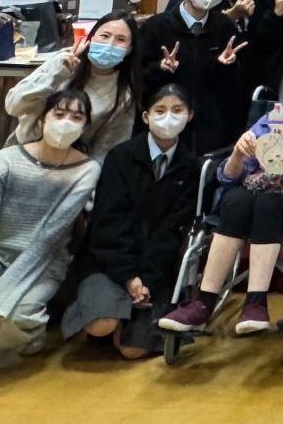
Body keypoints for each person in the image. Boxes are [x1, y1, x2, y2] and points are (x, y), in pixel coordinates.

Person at [158, 54, 283, 337]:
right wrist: (238, 154)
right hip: (254, 185)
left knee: (266, 205)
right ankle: (204, 302)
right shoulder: (274, 115)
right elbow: (229, 176)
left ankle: (256, 302)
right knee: (234, 200)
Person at [0, 87, 101, 376]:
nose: (66, 122)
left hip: (44, 261)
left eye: (76, 117)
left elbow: (46, 242)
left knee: (17, 317)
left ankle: (31, 336)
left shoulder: (86, 170)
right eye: (59, 114)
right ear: (42, 119)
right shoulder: (5, 160)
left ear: (85, 127)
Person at [61, 84, 201, 358]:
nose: (169, 117)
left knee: (132, 350)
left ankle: (128, 318)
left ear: (190, 116)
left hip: (156, 270)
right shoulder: (120, 157)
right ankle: (109, 314)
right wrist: (128, 276)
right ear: (146, 116)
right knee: (100, 325)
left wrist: (145, 279)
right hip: (108, 262)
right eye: (160, 110)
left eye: (177, 110)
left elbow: (171, 232)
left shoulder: (191, 166)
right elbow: (108, 223)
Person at [137, 0, 255, 157]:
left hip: (210, 125)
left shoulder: (224, 26)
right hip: (167, 120)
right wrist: (161, 68)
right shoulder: (157, 26)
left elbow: (236, 84)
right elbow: (140, 76)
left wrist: (225, 65)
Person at [4, 10, 139, 160]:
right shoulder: (62, 61)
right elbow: (13, 105)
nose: (110, 44)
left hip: (75, 163)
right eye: (104, 36)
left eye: (121, 40)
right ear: (91, 37)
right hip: (25, 151)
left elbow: (108, 148)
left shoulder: (124, 93)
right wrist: (58, 74)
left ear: (130, 49)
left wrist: (84, 169)